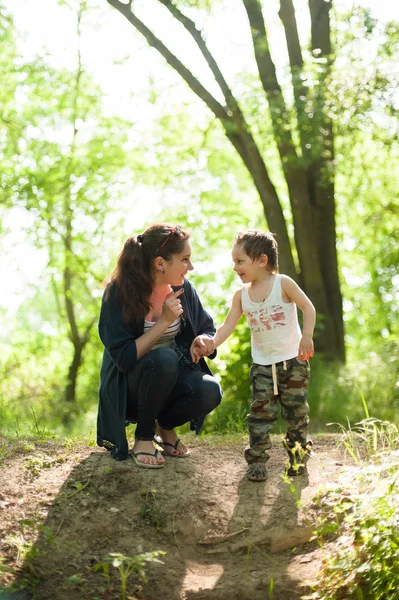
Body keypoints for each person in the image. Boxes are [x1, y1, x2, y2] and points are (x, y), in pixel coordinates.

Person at [193, 230, 315, 482]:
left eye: (240, 261)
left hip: (293, 362)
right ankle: (257, 461)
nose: (234, 267)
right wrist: (210, 343)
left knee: (296, 413)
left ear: (261, 260)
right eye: (234, 261)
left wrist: (307, 336)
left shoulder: (283, 283)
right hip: (262, 366)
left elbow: (308, 307)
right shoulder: (242, 295)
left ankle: (297, 456)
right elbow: (227, 326)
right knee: (260, 415)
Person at [97, 223, 222, 467]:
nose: (191, 267)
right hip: (131, 389)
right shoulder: (118, 293)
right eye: (185, 259)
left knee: (210, 390)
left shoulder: (184, 289)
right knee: (164, 359)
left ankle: (165, 427)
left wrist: (204, 339)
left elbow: (207, 326)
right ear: (160, 263)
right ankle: (143, 438)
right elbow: (123, 359)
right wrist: (164, 321)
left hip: (169, 383)